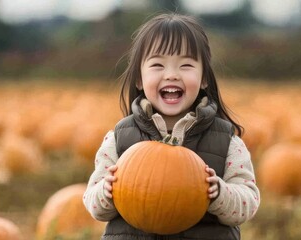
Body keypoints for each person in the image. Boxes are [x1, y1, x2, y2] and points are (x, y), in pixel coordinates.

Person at [83, 13, 260, 240]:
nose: (172, 75)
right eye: (158, 65)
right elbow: (94, 205)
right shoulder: (119, 139)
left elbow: (248, 202)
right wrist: (106, 192)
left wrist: (220, 195)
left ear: (204, 77)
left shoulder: (226, 142)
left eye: (186, 65)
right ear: (139, 78)